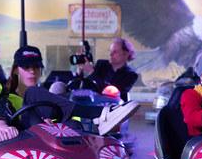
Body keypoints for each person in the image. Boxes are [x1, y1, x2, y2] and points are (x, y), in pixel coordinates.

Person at [7, 45, 138, 134]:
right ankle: (99, 114)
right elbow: (2, 121)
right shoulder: (6, 96)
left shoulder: (43, 93)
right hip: (20, 139)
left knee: (72, 124)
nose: (32, 71)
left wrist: (44, 122)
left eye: (36, 67)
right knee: (34, 92)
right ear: (15, 70)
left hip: (45, 141)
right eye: (26, 67)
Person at [74, 38, 140, 102]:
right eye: (110, 51)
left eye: (115, 52)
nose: (110, 54)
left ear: (126, 54)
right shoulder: (101, 64)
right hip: (92, 104)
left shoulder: (131, 75)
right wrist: (80, 70)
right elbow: (87, 85)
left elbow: (112, 92)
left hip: (113, 107)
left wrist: (91, 72)